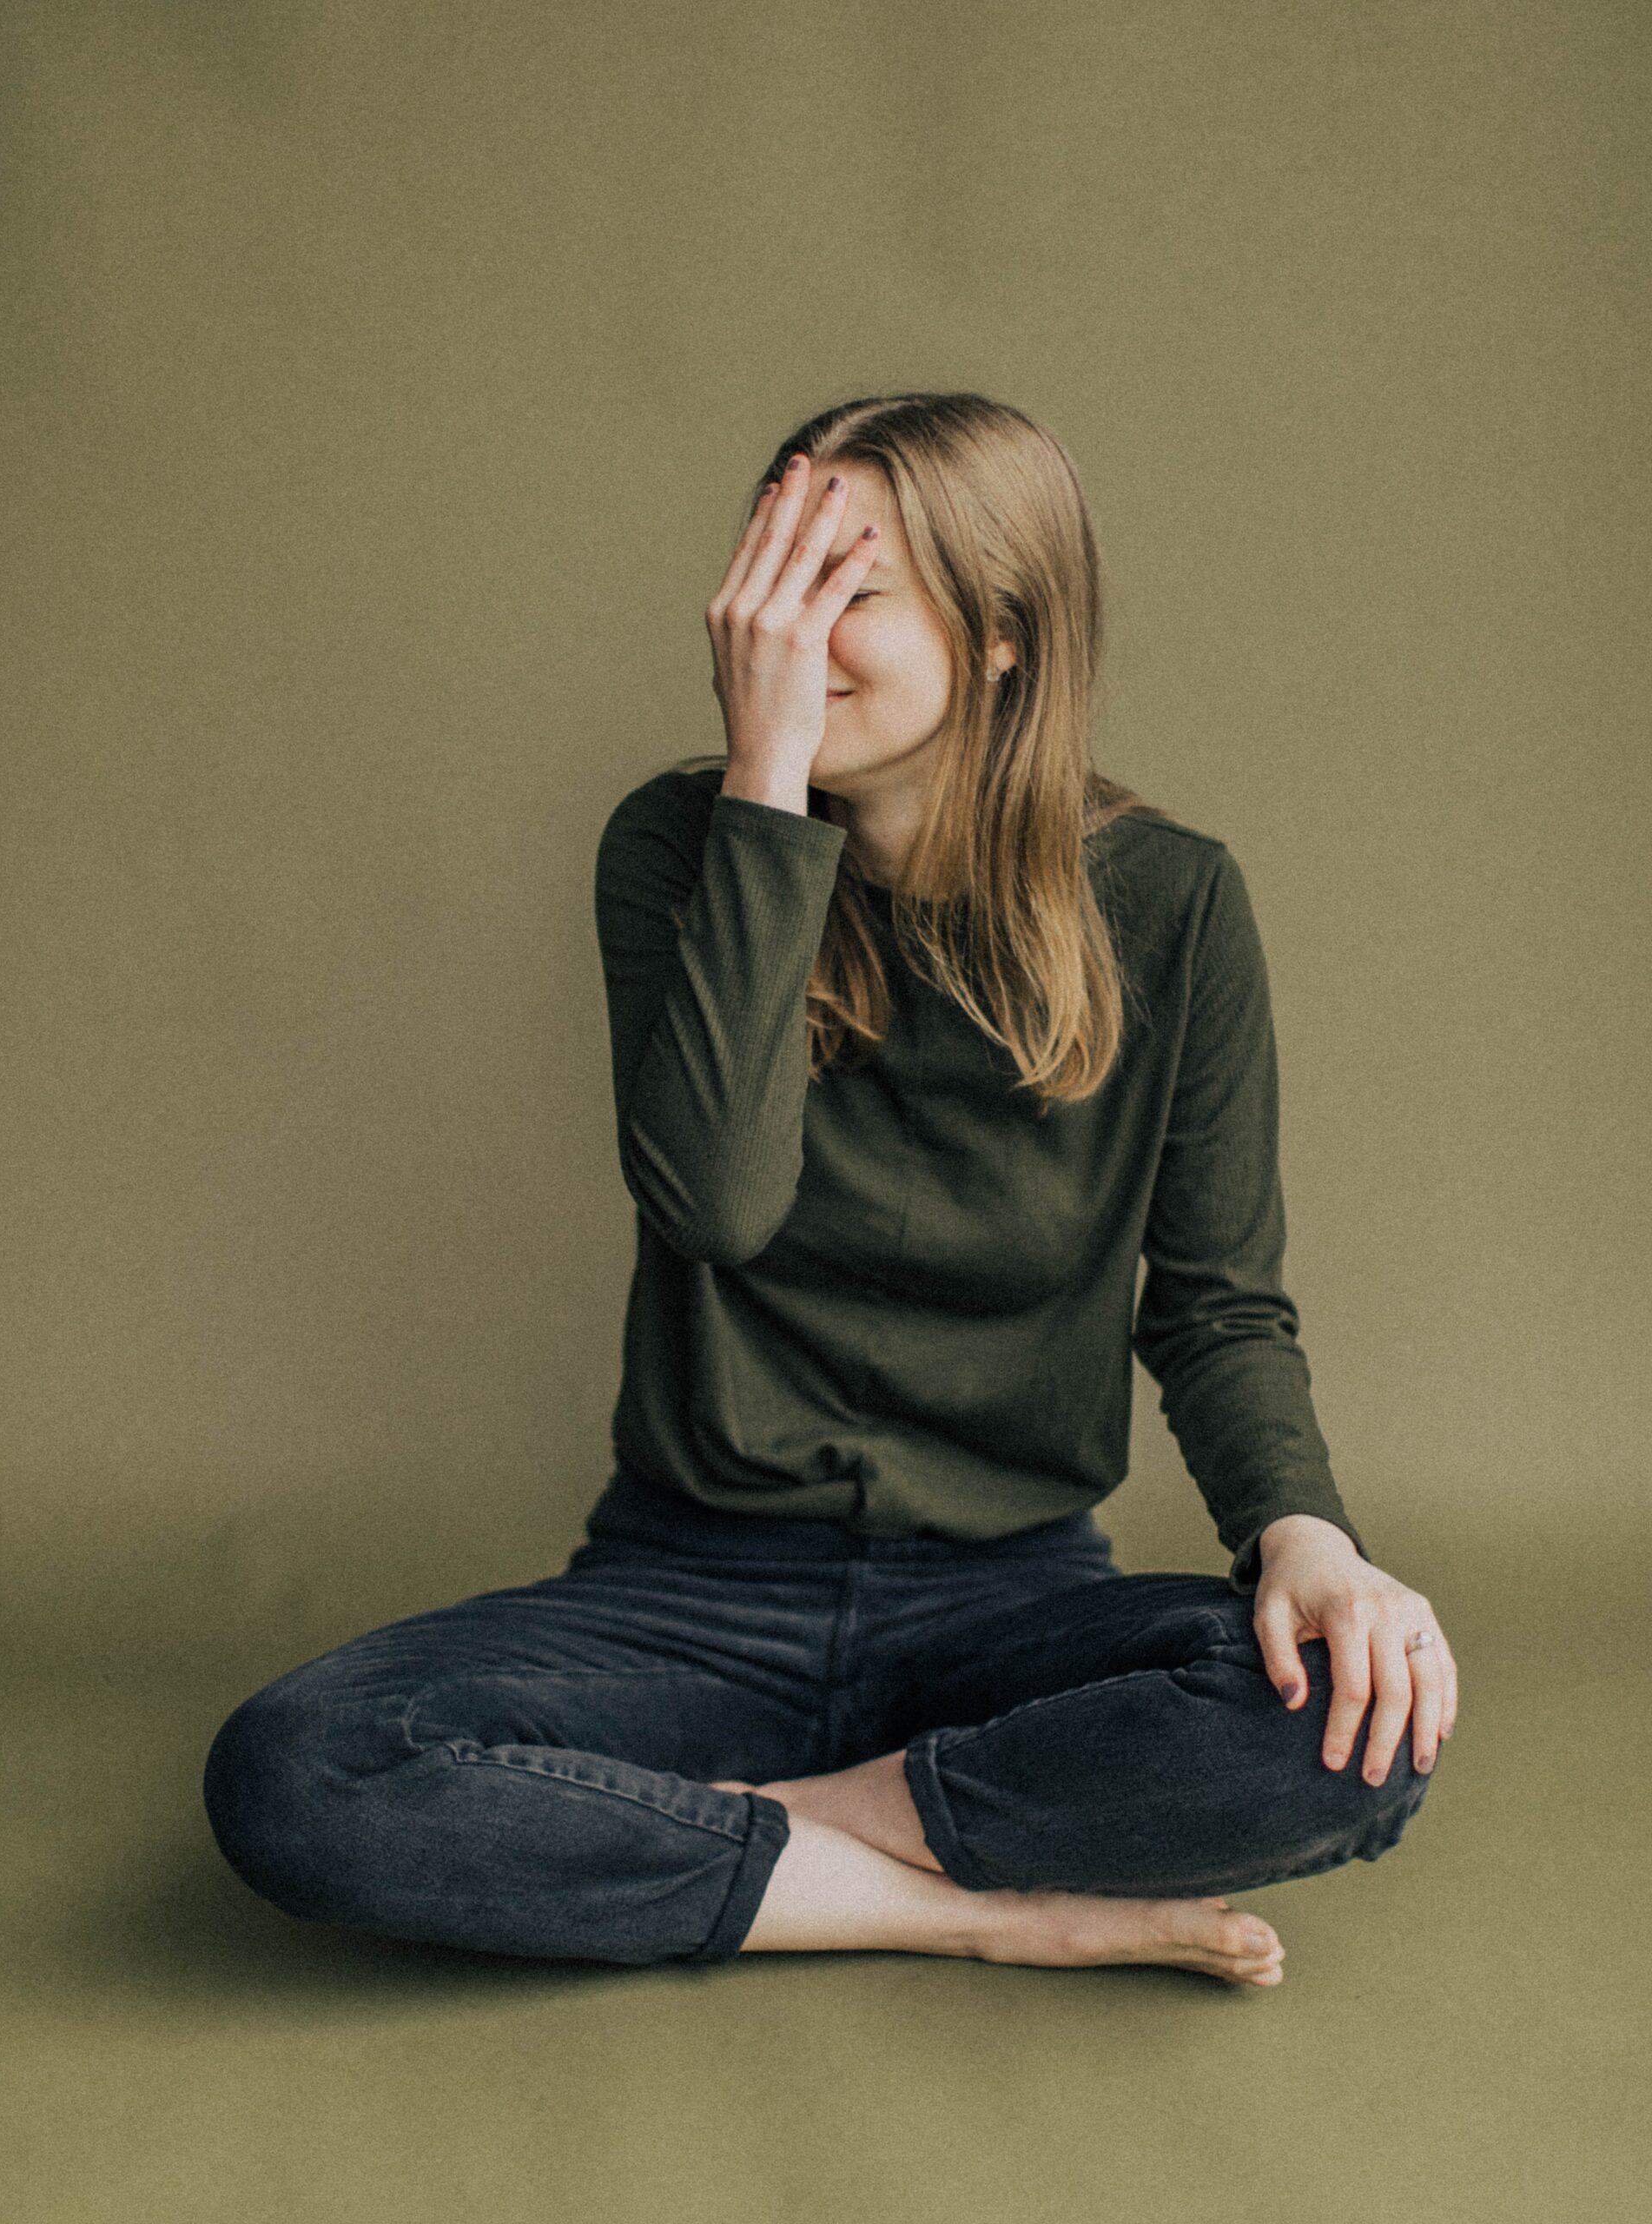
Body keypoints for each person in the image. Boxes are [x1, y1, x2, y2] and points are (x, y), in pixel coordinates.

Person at [203, 392, 1456, 1988]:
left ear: (1003, 632)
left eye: (841, 587)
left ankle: (771, 1835)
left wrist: (1309, 1540)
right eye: (766, 580)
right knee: (298, 1776)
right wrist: (766, 782)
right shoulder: (685, 846)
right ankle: (957, 1905)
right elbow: (715, 1204)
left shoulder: (1175, 900)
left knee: (1358, 1725)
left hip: (1011, 1601)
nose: (778, 634)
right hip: (691, 1593)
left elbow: (1217, 1306)